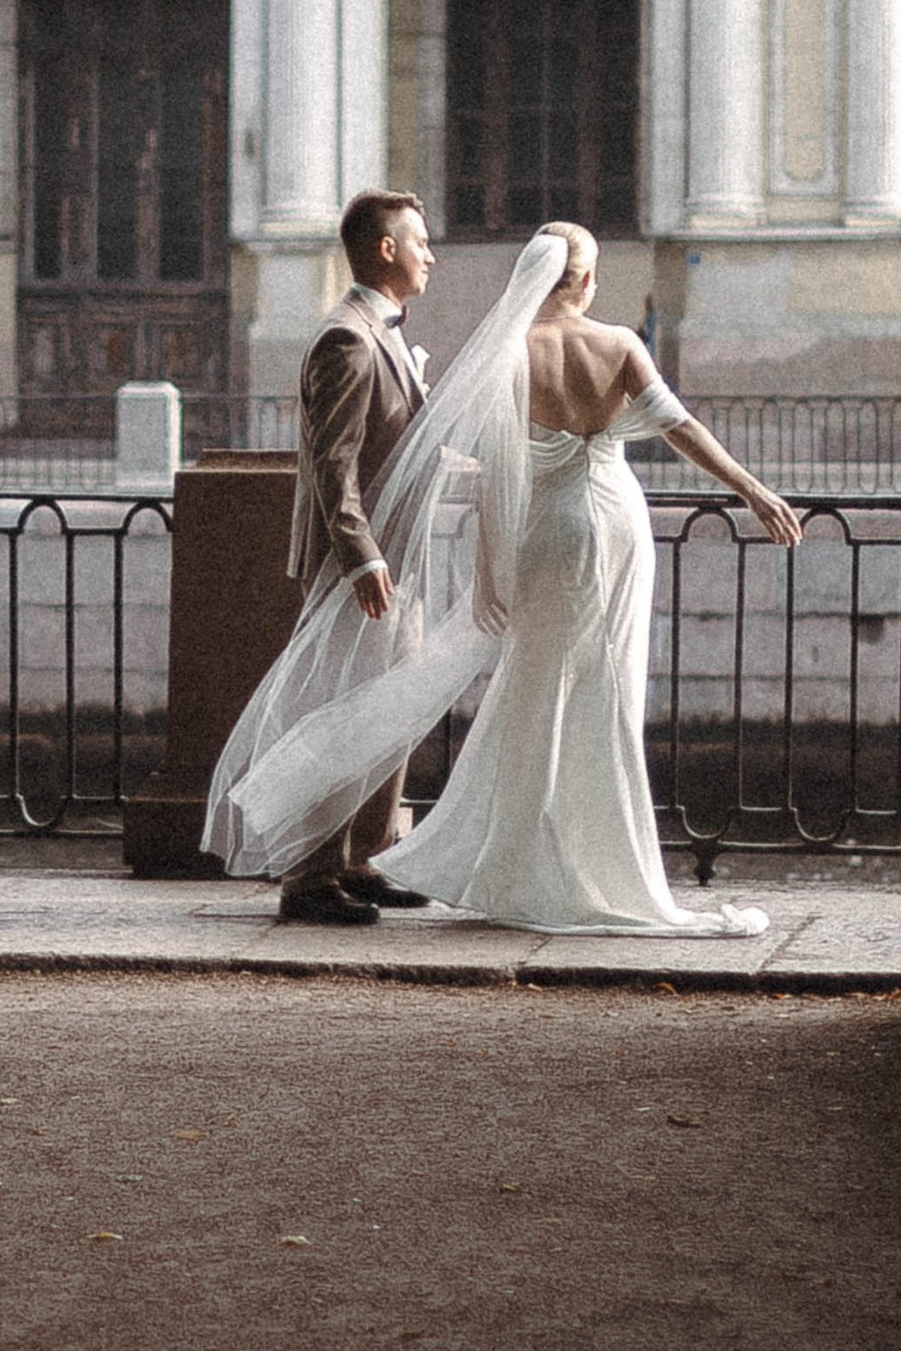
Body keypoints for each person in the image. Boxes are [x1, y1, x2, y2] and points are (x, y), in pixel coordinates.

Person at [208, 222, 804, 941]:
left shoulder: (510, 354)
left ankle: (511, 861)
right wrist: (752, 491)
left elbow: (496, 475)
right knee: (606, 694)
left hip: (545, 533)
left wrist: (493, 572)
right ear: (583, 280)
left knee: (533, 689)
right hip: (617, 529)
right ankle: (600, 863)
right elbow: (682, 428)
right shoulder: (620, 344)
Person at [275, 189, 436, 929]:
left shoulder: (386, 332)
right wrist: (363, 558)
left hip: (391, 558)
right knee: (340, 715)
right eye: (419, 242)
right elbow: (331, 467)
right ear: (386, 251)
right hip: (359, 567)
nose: (429, 254)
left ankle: (366, 858)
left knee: (391, 711)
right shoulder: (347, 338)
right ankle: (309, 876)